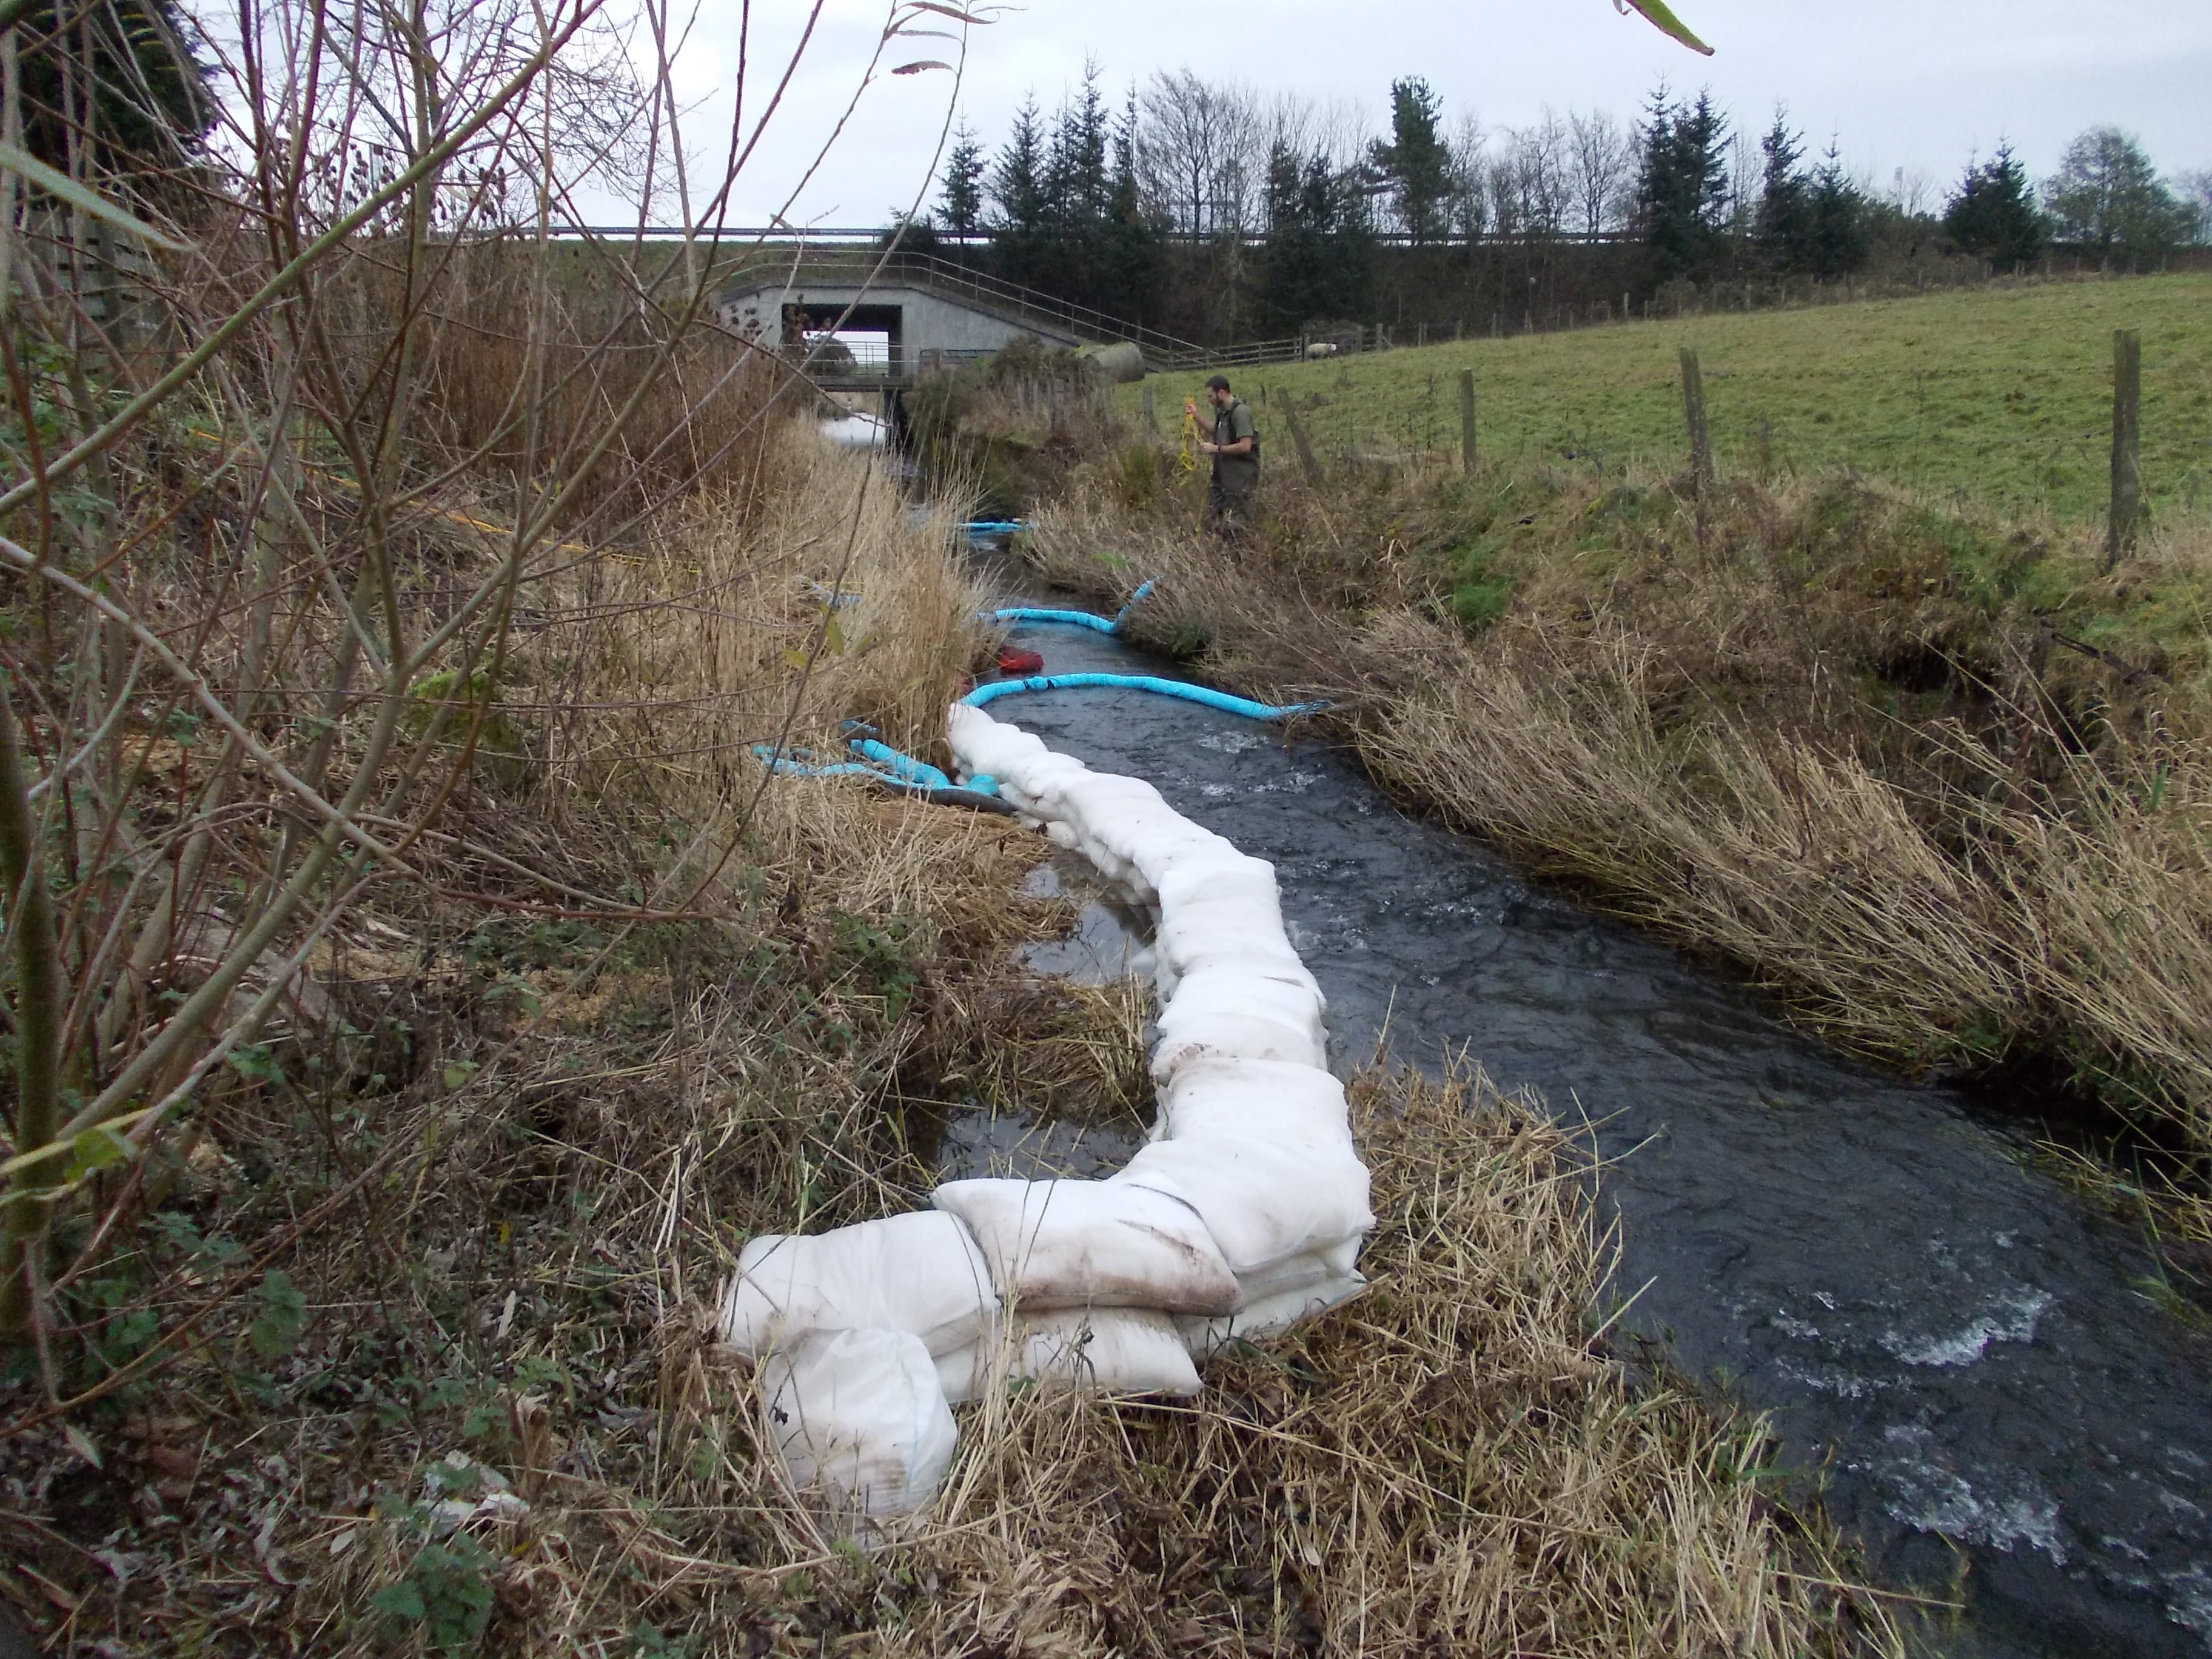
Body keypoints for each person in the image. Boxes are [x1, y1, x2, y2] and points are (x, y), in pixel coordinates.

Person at [1186, 374, 1258, 534]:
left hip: (1239, 481)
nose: (1209, 400)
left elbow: (1245, 446)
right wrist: (1196, 416)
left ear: (1222, 393)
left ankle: (1239, 556)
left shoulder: (1240, 413)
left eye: (1211, 396)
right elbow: (1217, 431)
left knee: (1236, 527)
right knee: (1215, 521)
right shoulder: (1223, 412)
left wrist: (1216, 449)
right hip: (1223, 480)